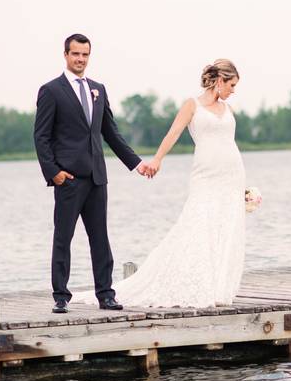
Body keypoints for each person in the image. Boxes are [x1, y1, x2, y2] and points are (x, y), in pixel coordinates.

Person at [75, 59, 246, 308]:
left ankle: (218, 287)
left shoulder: (228, 109)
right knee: (199, 221)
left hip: (232, 172)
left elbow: (229, 142)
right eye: (231, 84)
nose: (233, 90)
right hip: (206, 173)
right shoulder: (192, 105)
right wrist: (157, 159)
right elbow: (173, 133)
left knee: (226, 226)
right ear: (219, 80)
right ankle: (195, 282)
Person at [34, 33, 154, 314]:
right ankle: (61, 296)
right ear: (65, 55)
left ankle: (106, 294)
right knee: (63, 238)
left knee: (100, 237)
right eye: (76, 54)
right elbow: (41, 137)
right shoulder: (51, 90)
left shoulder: (98, 89)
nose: (80, 59)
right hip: (69, 179)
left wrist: (136, 164)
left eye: (85, 55)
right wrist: (54, 173)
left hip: (97, 178)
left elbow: (110, 132)